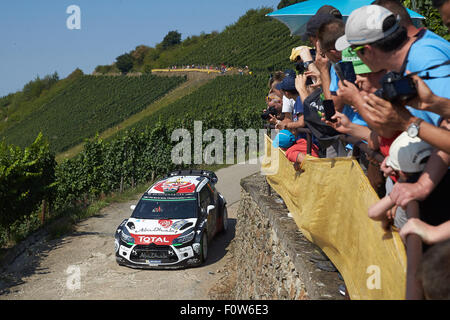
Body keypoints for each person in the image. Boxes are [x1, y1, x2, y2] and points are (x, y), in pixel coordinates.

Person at [368, 132, 434, 230]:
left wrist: (385, 220)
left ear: (402, 172)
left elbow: (373, 213)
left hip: (420, 240)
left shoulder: (406, 183)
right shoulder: (439, 175)